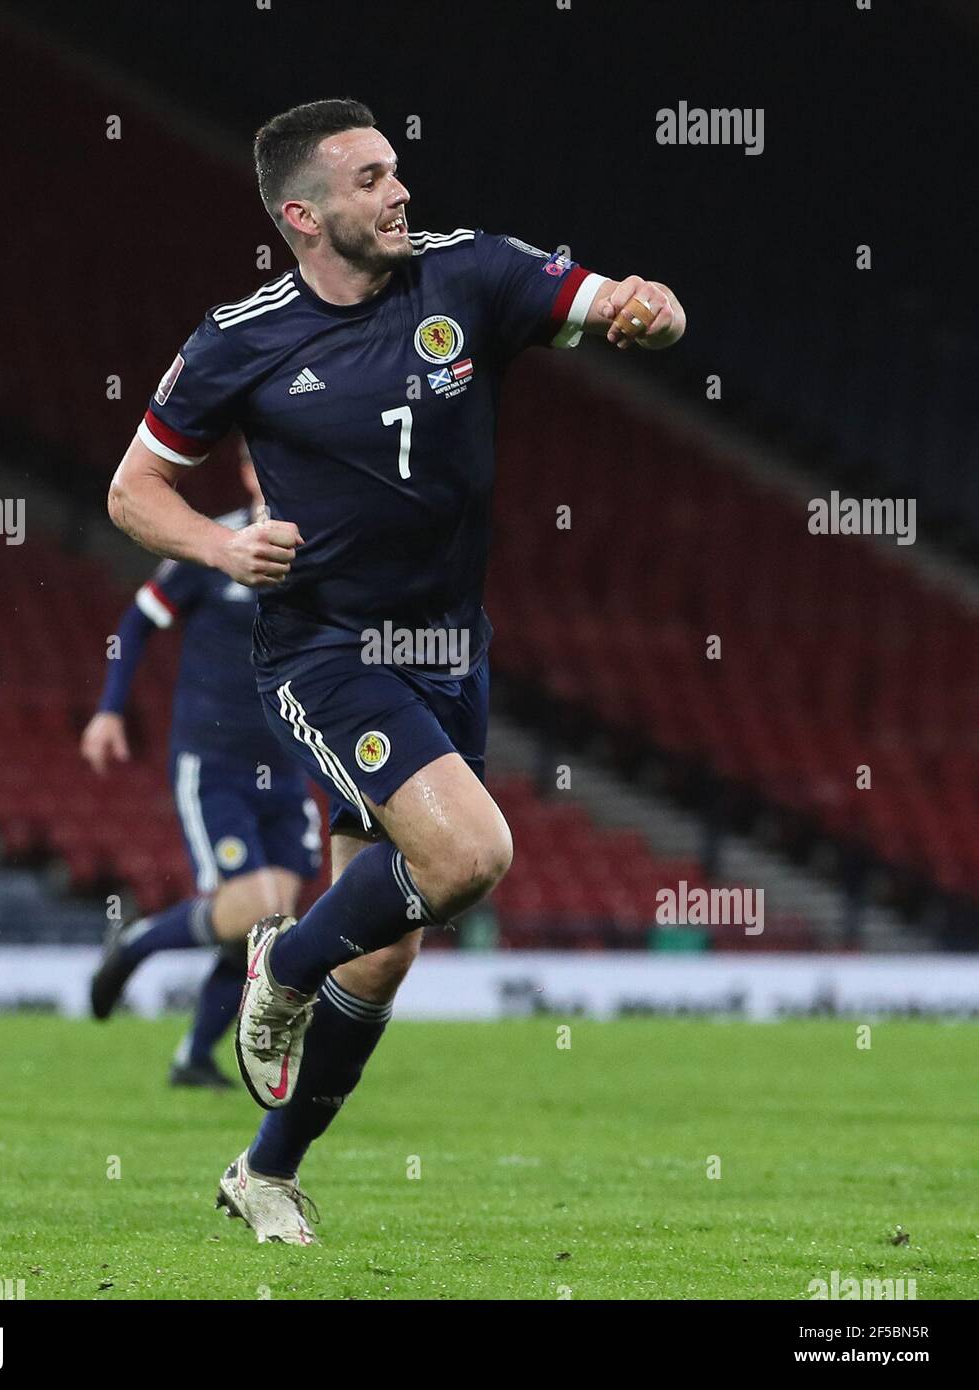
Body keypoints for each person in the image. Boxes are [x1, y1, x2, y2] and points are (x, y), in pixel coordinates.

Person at [107, 98, 685, 1243]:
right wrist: (222, 546)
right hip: (324, 647)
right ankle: (283, 959)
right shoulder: (239, 340)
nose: (399, 192)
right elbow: (133, 491)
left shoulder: (466, 273)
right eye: (371, 179)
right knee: (471, 854)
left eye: (395, 171)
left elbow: (598, 301)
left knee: (392, 948)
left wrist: (645, 310)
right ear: (303, 215)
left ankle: (265, 1173)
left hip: (449, 644)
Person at [82, 443, 321, 1089]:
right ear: (245, 471)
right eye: (257, 461)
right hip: (213, 762)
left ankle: (192, 1056)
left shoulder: (317, 550)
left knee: (271, 925)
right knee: (250, 910)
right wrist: (109, 711)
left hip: (288, 762)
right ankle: (136, 944)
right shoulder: (213, 546)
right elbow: (136, 623)